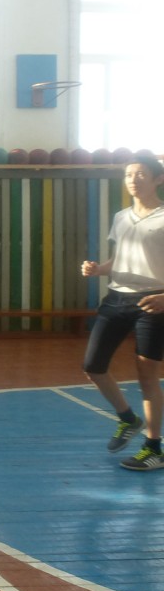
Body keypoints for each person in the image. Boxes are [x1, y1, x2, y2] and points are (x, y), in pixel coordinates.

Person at [81, 155, 164, 470]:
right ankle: (128, 418)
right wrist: (98, 269)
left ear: (158, 179)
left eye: (141, 174)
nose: (133, 179)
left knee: (147, 377)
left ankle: (154, 448)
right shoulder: (121, 217)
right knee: (93, 366)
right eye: (129, 174)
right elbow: (119, 259)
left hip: (152, 302)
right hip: (116, 298)